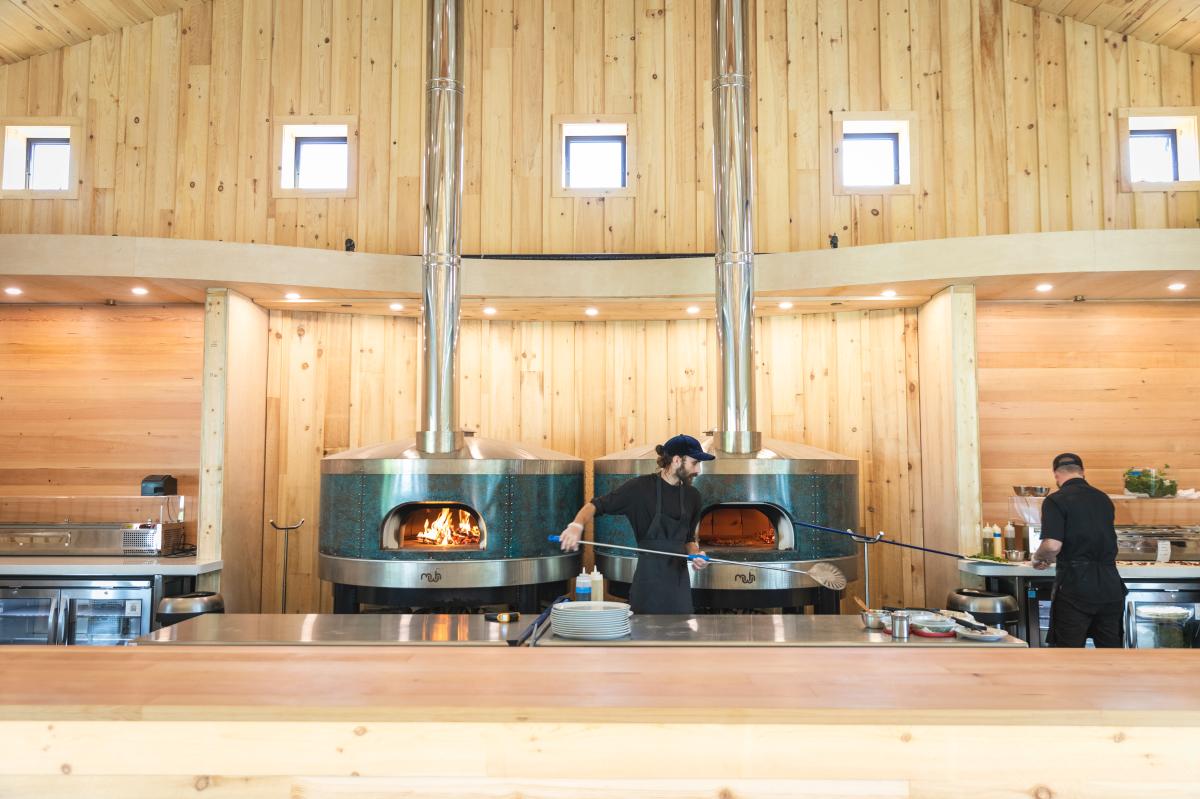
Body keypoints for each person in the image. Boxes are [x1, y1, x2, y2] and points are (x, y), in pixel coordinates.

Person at [559, 434, 713, 614]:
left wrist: (696, 556)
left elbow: (688, 540)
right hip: (648, 586)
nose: (699, 470)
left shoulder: (692, 496)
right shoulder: (639, 489)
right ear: (677, 460)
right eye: (695, 463)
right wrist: (576, 526)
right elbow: (596, 505)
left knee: (681, 637)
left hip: (679, 587)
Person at [1031, 453, 1128, 647]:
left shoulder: (1055, 500)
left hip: (1075, 586)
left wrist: (1039, 558)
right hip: (1110, 585)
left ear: (1056, 475)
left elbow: (1052, 545)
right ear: (1082, 472)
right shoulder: (1103, 499)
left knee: (1069, 652)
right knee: (1110, 651)